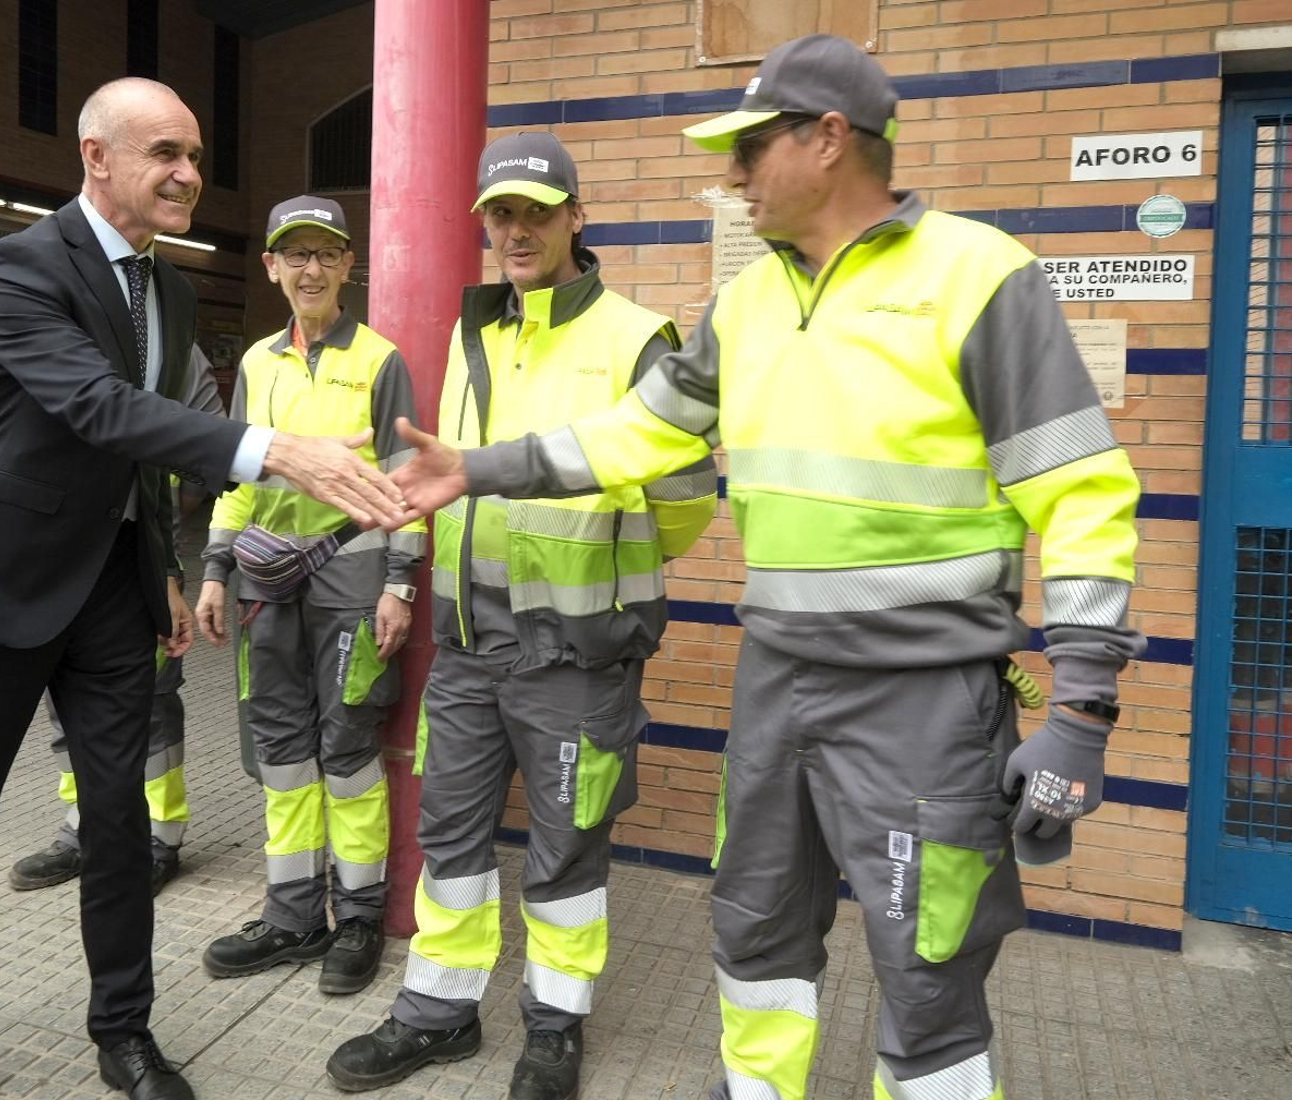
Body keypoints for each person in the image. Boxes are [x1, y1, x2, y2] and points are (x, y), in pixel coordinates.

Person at [387, 36, 1144, 1100]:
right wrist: (474, 467)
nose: (733, 175)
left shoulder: (980, 276)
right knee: (753, 929)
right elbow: (634, 434)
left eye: (750, 148)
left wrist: (1082, 709)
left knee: (927, 967)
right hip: (776, 681)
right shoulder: (743, 305)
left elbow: (1081, 493)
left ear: (828, 139)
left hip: (922, 698)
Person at [0, 78, 404, 1100]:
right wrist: (271, 450)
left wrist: (165, 564)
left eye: (196, 155)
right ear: (96, 157)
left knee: (120, 822)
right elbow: (96, 407)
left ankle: (124, 1030)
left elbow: (149, 457)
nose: (190, 174)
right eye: (165, 151)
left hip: (110, 596)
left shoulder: (166, 289)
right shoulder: (18, 267)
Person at [327, 135, 717, 1100]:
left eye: (537, 211)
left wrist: (613, 572)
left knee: (566, 849)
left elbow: (685, 505)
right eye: (500, 215)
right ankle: (438, 1010)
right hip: (468, 646)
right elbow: (439, 478)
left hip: (577, 654)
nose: (515, 231)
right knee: (452, 841)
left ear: (577, 217)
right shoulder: (475, 335)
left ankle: (554, 1027)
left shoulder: (638, 336)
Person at [195, 195, 427, 996]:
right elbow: (238, 474)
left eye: (326, 254)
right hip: (266, 582)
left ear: (347, 264)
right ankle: (293, 915)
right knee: (284, 754)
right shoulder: (258, 363)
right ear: (272, 268)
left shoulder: (381, 359)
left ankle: (357, 917)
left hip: (354, 580)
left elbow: (406, 485)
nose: (311, 269)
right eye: (294, 254)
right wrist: (216, 569)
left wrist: (400, 580)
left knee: (350, 751)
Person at [7, 346, 225, 898]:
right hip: (62, 559)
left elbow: (204, 457)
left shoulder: (175, 346)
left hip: (140, 560)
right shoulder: (57, 334)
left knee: (149, 701)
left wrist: (166, 568)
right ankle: (83, 825)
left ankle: (158, 834)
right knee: (65, 701)